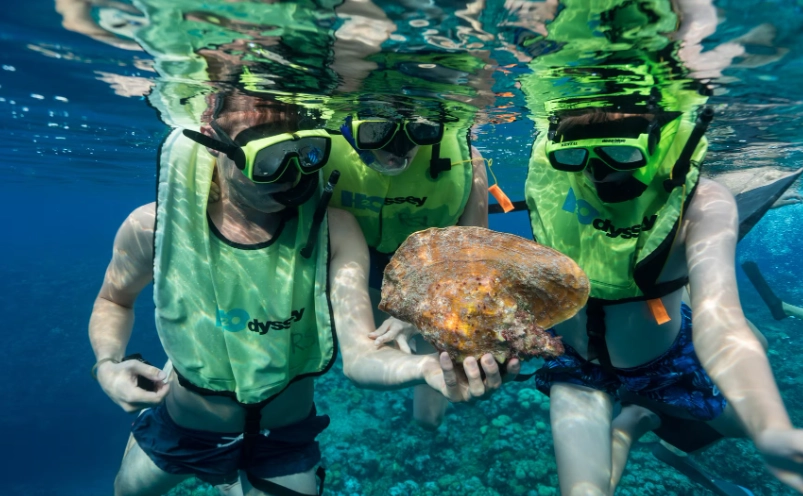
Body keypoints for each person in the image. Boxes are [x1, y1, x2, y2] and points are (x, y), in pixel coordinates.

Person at [88, 90, 517, 496]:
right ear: (215, 144)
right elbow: (114, 300)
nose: (291, 177)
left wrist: (423, 368)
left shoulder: (337, 228)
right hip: (183, 426)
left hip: (284, 440)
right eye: (269, 161)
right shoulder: (152, 227)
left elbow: (361, 356)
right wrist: (107, 365)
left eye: (307, 154)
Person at [523, 96, 803, 495]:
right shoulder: (552, 188)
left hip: (665, 364)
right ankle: (635, 420)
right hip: (576, 363)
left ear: (659, 141)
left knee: (746, 429)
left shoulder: (705, 203)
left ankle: (642, 415)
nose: (596, 173)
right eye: (576, 156)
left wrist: (771, 427)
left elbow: (721, 324)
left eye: (620, 153)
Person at [321, 105, 489, 430]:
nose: (396, 152)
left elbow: (472, 261)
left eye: (420, 131)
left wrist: (421, 309)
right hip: (363, 261)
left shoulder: (468, 160)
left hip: (433, 277)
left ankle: (425, 429)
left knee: (429, 417)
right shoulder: (323, 150)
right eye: (375, 132)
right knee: (376, 348)